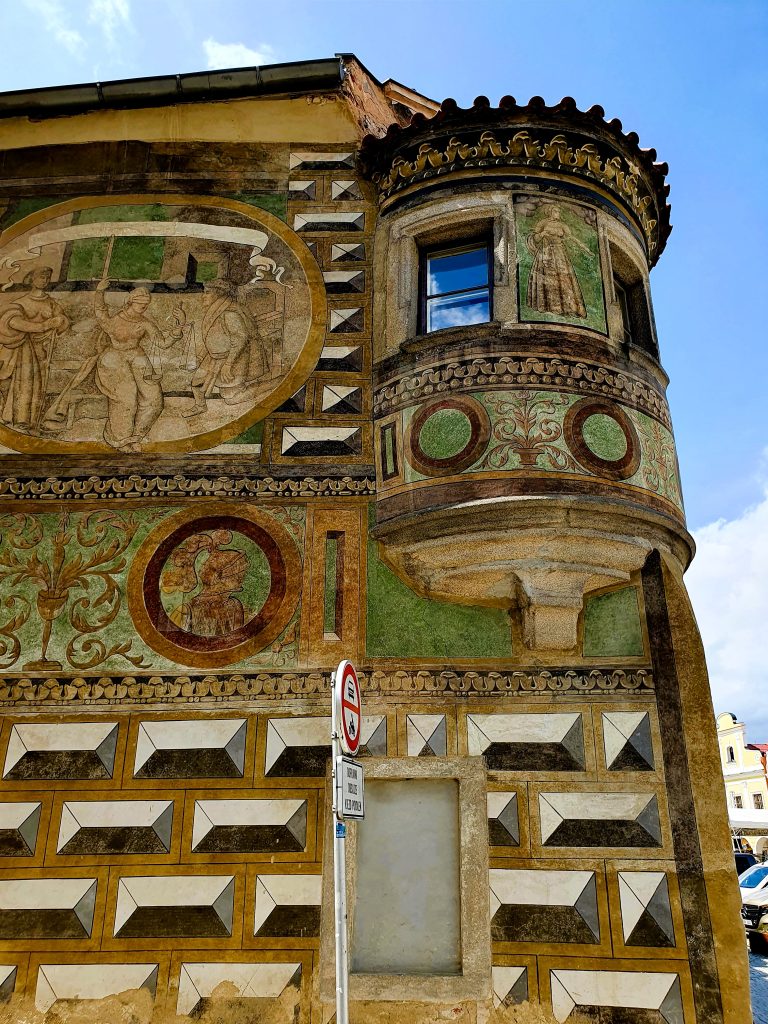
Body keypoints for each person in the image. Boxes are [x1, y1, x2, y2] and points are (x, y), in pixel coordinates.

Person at [93, 280, 174, 451]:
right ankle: (120, 440)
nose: (144, 308)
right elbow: (100, 312)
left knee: (155, 399)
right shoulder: (114, 320)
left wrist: (176, 332)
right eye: (141, 304)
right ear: (130, 302)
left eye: (146, 305)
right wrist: (100, 291)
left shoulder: (145, 322)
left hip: (137, 356)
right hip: (114, 358)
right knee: (126, 398)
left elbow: (162, 343)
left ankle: (135, 436)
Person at [0, 266, 70, 430]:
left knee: (37, 385)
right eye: (41, 277)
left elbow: (63, 323)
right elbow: (12, 322)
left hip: (42, 351)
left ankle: (31, 420)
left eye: (47, 277)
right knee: (22, 382)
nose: (44, 280)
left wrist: (61, 321)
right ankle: (16, 418)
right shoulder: (20, 303)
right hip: (21, 350)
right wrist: (45, 325)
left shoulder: (52, 303)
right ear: (31, 279)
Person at [184, 278, 265, 418]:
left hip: (233, 358)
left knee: (231, 397)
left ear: (219, 294)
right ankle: (200, 406)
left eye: (207, 293)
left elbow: (240, 339)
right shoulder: (215, 312)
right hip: (214, 357)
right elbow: (210, 339)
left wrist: (228, 364)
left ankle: (267, 387)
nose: (203, 296)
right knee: (196, 383)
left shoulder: (230, 313)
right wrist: (199, 357)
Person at [526, 204, 591, 318]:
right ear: (550, 212)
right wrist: (542, 234)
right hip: (545, 252)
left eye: (558, 211)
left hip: (559, 253)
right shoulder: (543, 223)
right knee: (546, 278)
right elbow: (535, 238)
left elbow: (571, 238)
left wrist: (584, 248)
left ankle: (567, 308)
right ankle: (547, 306)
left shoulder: (562, 225)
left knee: (563, 279)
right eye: (556, 211)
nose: (558, 213)